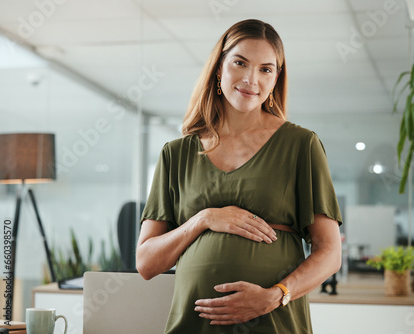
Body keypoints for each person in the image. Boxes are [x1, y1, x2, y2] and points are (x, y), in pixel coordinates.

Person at [136, 19, 342, 333]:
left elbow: (329, 252)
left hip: (273, 322)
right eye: (240, 63)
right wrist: (203, 219)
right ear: (219, 68)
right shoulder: (175, 154)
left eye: (266, 69)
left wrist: (275, 296)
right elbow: (147, 263)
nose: (250, 78)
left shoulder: (301, 145)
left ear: (276, 79)